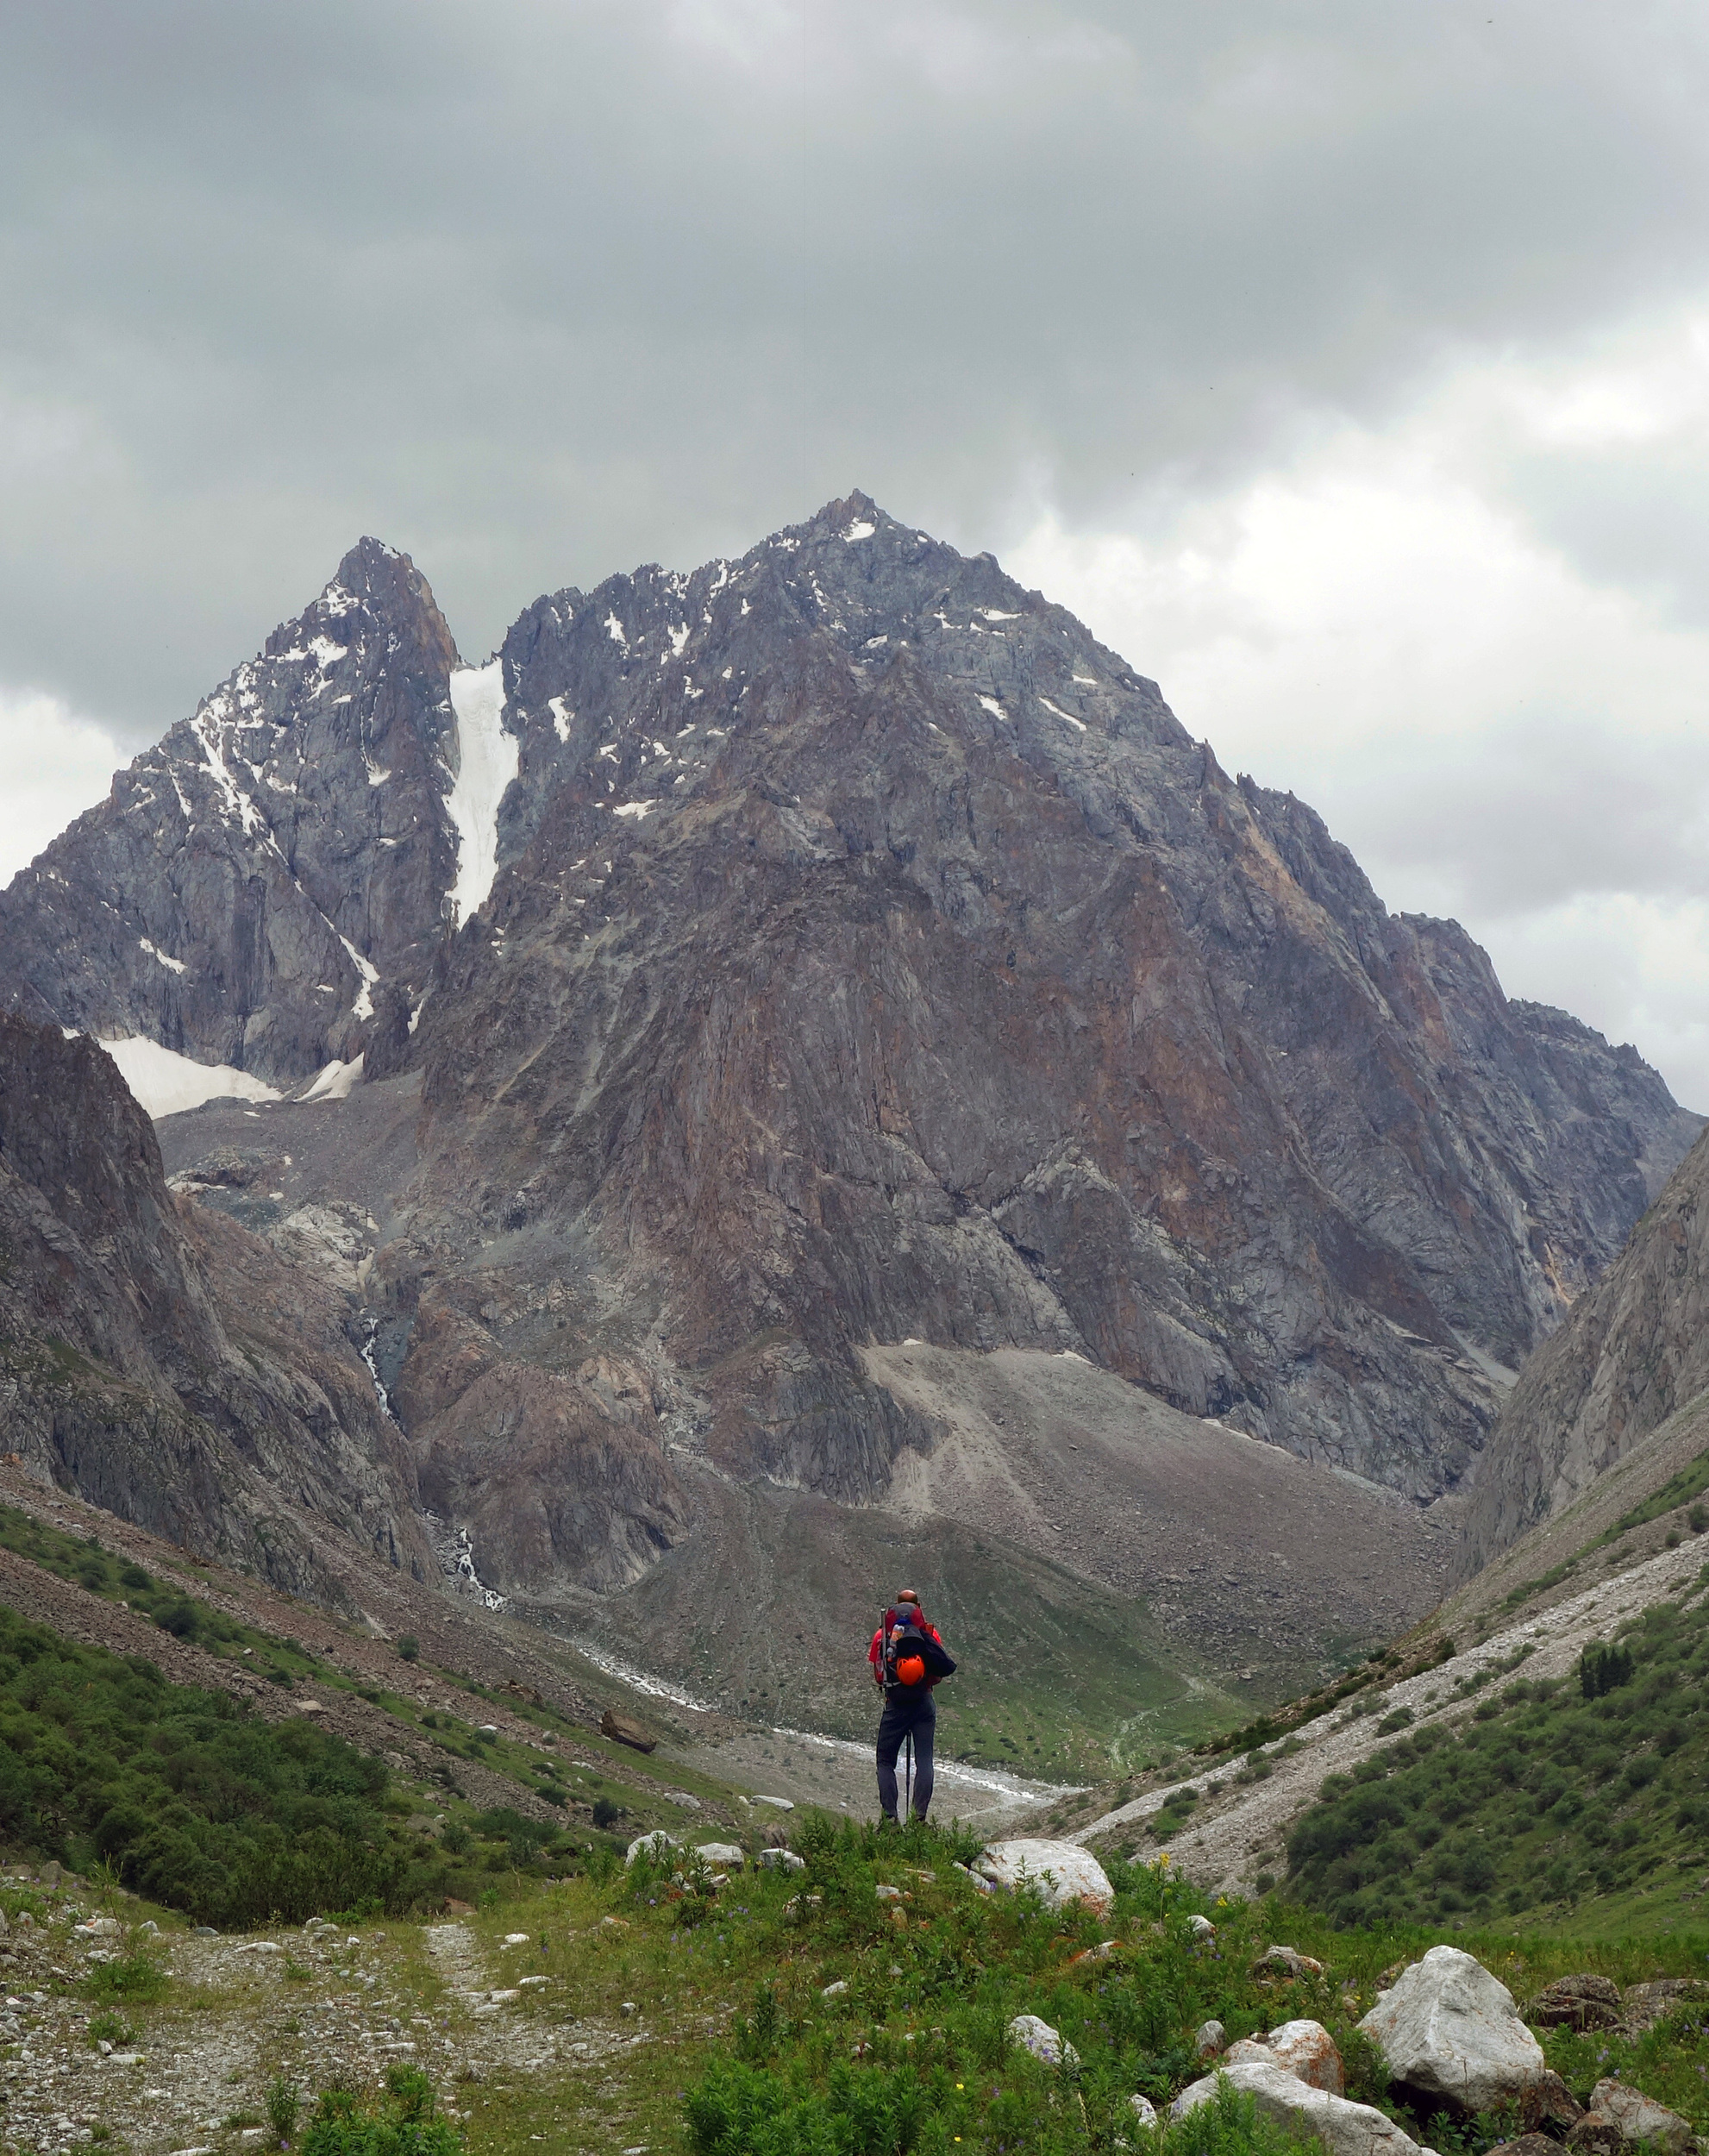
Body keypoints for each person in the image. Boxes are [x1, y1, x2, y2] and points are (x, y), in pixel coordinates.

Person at [869, 1588, 944, 1823]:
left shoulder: (882, 1636)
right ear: (918, 1607)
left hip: (896, 1704)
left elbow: (879, 1675)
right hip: (923, 1703)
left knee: (885, 1761)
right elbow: (938, 1673)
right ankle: (918, 1818)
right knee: (925, 1761)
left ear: (895, 1606)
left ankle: (890, 1819)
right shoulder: (930, 1634)